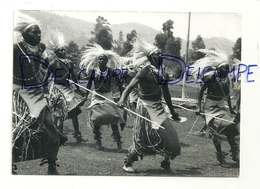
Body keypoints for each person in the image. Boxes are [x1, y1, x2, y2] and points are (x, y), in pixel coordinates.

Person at [117, 36, 181, 173]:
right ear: (151, 57)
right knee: (143, 137)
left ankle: (166, 162)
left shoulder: (162, 72)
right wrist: (122, 99)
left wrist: (172, 111)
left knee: (171, 136)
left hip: (158, 107)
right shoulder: (145, 71)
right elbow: (129, 87)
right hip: (145, 107)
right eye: (157, 54)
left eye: (160, 54)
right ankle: (128, 162)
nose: (160, 56)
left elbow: (167, 94)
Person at [12, 12, 65, 175]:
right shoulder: (14, 48)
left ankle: (52, 164)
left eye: (39, 32)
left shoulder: (41, 48)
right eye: (34, 32)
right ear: (24, 33)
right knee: (17, 132)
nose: (38, 35)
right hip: (19, 94)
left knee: (51, 131)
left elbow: (41, 68)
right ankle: (9, 165)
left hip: (37, 94)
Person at [194, 49, 240, 167]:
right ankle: (221, 158)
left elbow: (228, 97)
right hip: (209, 107)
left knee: (230, 127)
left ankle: (235, 155)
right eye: (225, 68)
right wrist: (199, 107)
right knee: (215, 132)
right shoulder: (210, 78)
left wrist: (230, 109)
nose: (228, 70)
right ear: (219, 69)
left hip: (220, 106)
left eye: (228, 68)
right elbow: (200, 92)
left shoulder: (226, 80)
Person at [79, 43, 125, 152]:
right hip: (96, 97)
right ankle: (98, 142)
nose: (102, 61)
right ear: (97, 60)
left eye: (104, 59)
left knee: (113, 118)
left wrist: (123, 98)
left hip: (108, 96)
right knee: (96, 119)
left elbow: (120, 85)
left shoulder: (112, 72)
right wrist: (85, 97)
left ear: (107, 61)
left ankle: (118, 143)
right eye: (100, 59)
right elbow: (89, 85)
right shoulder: (94, 72)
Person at [46, 30, 86, 143]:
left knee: (74, 112)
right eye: (60, 50)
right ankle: (60, 135)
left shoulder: (69, 63)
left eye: (64, 49)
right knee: (60, 113)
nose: (63, 51)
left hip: (68, 90)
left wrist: (78, 89)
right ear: (56, 52)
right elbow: (46, 77)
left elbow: (74, 77)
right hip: (58, 89)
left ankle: (77, 134)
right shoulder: (53, 63)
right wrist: (44, 89)